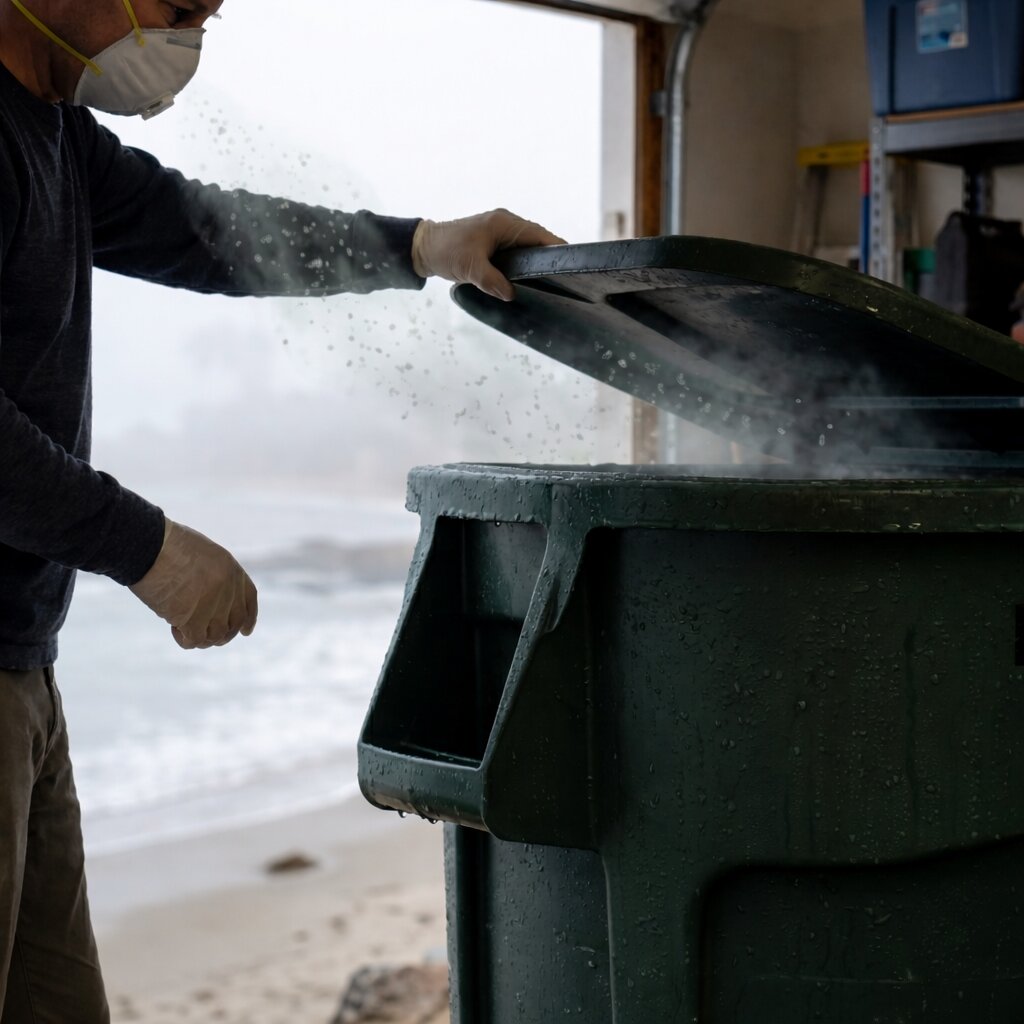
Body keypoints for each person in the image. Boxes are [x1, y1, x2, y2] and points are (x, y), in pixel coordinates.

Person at [0, 0, 565, 1018]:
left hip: (22, 660)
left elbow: (214, 236)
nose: (195, 30)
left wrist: (425, 246)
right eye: (179, 7)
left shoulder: (59, 138)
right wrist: (147, 548)